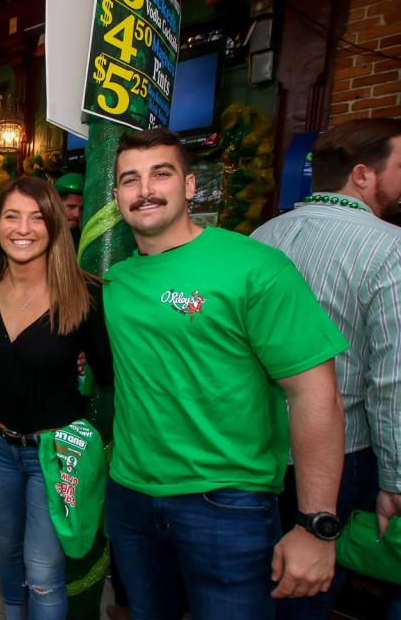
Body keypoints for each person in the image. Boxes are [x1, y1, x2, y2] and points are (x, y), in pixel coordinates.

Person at [103, 128, 348, 619]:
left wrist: (315, 523)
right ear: (117, 197)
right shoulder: (116, 278)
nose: (145, 189)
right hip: (130, 497)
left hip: (226, 506)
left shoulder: (256, 267)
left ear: (190, 186)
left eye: (161, 174)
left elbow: (315, 395)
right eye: (131, 179)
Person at [251, 117, 401, 618]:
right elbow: (392, 379)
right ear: (362, 175)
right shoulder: (390, 248)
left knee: (257, 578)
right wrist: (396, 479)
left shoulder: (259, 237)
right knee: (309, 586)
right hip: (345, 454)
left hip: (258, 448)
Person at [0, 175, 112, 619]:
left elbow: (108, 376)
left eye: (37, 217)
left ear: (55, 226)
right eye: (11, 216)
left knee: (44, 568)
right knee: (8, 552)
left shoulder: (85, 293)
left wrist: (82, 370)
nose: (23, 228)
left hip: (55, 453)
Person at [54, 173, 84, 249]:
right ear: (56, 204)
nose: (77, 214)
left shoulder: (82, 239)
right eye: (71, 207)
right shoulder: (41, 234)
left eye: (81, 208)